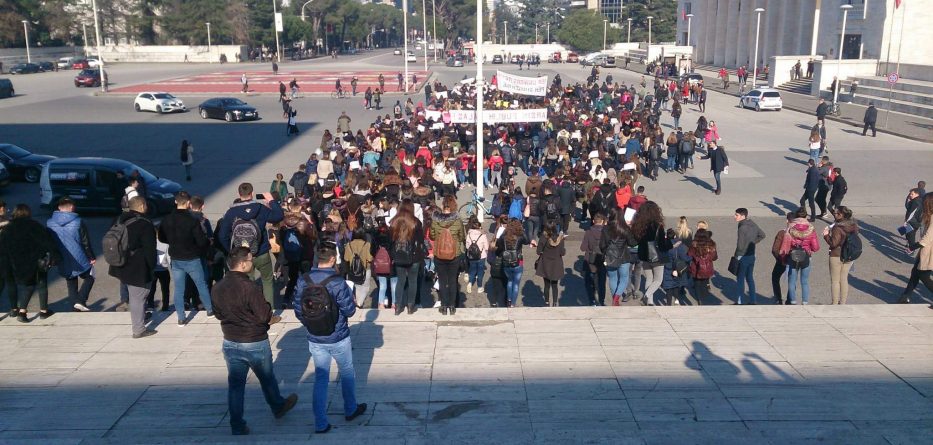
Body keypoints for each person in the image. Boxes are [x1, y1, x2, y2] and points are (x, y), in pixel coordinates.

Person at [212, 247, 296, 435]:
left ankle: (237, 424)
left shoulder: (218, 287)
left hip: (231, 341)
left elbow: (218, 314)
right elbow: (264, 315)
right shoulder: (249, 287)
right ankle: (277, 406)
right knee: (266, 378)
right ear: (242, 264)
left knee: (235, 386)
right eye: (250, 260)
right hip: (254, 341)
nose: (252, 263)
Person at [292, 243, 367, 434]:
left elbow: (298, 310)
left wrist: (311, 323)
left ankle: (320, 422)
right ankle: (350, 409)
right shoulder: (337, 282)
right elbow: (349, 311)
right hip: (338, 336)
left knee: (321, 378)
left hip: (315, 337)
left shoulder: (304, 280)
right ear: (333, 259)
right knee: (347, 371)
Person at [218, 183, 285, 307]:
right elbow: (279, 216)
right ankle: (268, 312)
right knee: (267, 281)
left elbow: (222, 236)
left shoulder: (231, 212)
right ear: (252, 193)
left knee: (247, 284)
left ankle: (251, 309)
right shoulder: (260, 208)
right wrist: (271, 201)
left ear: (239, 194)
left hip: (242, 255)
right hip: (261, 252)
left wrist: (233, 250)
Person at [158, 191, 213, 324]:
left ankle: (181, 318)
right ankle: (210, 310)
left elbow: (161, 237)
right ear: (188, 203)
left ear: (176, 202)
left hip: (176, 258)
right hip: (192, 258)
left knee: (179, 288)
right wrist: (207, 243)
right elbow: (201, 241)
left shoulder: (167, 219)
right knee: (201, 284)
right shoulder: (192, 220)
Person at [107, 197, 158, 337]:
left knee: (134, 296)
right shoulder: (144, 223)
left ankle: (139, 318)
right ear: (142, 206)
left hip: (120, 264)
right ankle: (139, 329)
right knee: (138, 297)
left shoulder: (118, 219)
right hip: (137, 267)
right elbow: (150, 249)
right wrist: (151, 266)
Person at [0, 204, 60, 323]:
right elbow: (47, 242)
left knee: (28, 286)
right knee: (42, 284)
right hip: (37, 260)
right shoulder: (35, 226)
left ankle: (21, 312)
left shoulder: (8, 229)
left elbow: (3, 247)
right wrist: (55, 256)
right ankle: (43, 311)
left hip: (18, 263)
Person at [46, 197, 95, 312]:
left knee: (71, 281)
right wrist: (91, 257)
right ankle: (81, 300)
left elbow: (49, 242)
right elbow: (85, 241)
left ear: (58, 207)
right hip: (79, 256)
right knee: (90, 277)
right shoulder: (78, 221)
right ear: (72, 207)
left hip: (62, 257)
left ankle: (75, 307)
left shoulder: (49, 223)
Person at [430, 196, 464, 315]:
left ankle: (444, 306)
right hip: (454, 254)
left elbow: (432, 236)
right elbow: (461, 237)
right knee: (453, 280)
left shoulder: (435, 220)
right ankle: (452, 306)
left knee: (443, 280)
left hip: (439, 254)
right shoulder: (457, 221)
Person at [780, 207, 821, 305]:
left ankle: (793, 301)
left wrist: (783, 258)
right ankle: (805, 302)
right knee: (805, 281)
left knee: (792, 281)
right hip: (806, 256)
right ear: (806, 216)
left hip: (793, 256)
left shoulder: (790, 227)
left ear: (796, 216)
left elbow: (785, 245)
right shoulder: (811, 228)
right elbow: (816, 247)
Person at [389, 206, 424, 315]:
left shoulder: (394, 222)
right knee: (412, 281)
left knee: (400, 281)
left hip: (399, 255)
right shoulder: (415, 222)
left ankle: (398, 306)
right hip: (414, 256)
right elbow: (421, 240)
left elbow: (390, 240)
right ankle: (410, 306)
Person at [632, 201, 668, 306]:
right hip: (656, 255)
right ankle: (647, 295)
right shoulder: (658, 226)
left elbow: (636, 240)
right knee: (658, 279)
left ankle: (650, 302)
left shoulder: (638, 225)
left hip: (644, 255)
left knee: (649, 278)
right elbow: (661, 243)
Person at [899, 194, 933, 303]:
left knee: (923, 274)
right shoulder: (929, 215)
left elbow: (928, 237)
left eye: (924, 201)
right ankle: (905, 297)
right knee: (915, 273)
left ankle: (905, 296)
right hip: (925, 249)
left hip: (929, 250)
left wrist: (913, 246)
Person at [823, 206, 858, 305]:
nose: (834, 214)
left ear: (841, 215)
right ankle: (842, 303)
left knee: (835, 280)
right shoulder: (853, 225)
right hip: (849, 255)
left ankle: (834, 303)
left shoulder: (837, 228)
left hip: (836, 255)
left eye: (835, 213)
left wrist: (826, 235)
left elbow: (833, 243)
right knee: (844, 279)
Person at [733, 208, 766, 305]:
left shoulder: (742, 227)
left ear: (743, 216)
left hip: (742, 256)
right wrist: (752, 243)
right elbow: (762, 235)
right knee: (750, 278)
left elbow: (740, 245)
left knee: (740, 278)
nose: (734, 217)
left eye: (736, 215)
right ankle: (753, 300)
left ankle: (740, 301)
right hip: (752, 255)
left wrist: (736, 256)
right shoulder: (753, 223)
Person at [496, 219, 529, 308]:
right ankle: (513, 304)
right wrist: (523, 231)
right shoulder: (520, 236)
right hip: (518, 262)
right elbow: (527, 241)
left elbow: (498, 245)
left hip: (506, 262)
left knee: (509, 281)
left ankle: (509, 300)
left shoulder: (504, 237)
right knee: (516, 284)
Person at [535, 221, 566, 307]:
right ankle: (555, 302)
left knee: (546, 285)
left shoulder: (543, 238)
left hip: (545, 264)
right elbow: (562, 253)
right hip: (556, 264)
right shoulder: (560, 239)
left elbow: (538, 252)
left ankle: (546, 302)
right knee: (555, 285)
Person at [582, 212, 608, 306]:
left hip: (590, 260)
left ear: (593, 221)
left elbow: (583, 248)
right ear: (602, 222)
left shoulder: (588, 232)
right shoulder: (605, 232)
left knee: (589, 282)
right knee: (602, 282)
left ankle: (592, 300)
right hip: (602, 259)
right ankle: (601, 300)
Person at [687, 229, 717, 305]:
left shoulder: (694, 244)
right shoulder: (711, 244)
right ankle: (704, 295)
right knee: (704, 281)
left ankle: (699, 299)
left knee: (697, 283)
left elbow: (689, 255)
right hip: (707, 267)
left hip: (695, 268)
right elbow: (714, 257)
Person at [662, 228, 691, 306]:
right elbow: (684, 257)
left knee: (668, 287)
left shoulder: (664, 245)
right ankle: (677, 300)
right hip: (678, 268)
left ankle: (668, 303)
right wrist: (690, 258)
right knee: (676, 285)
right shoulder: (681, 245)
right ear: (675, 236)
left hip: (667, 268)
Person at [464, 217, 489, 295]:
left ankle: (470, 283)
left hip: (471, 256)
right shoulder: (482, 235)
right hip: (481, 256)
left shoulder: (469, 235)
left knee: (472, 270)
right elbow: (487, 247)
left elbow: (467, 246)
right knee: (480, 272)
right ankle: (479, 287)